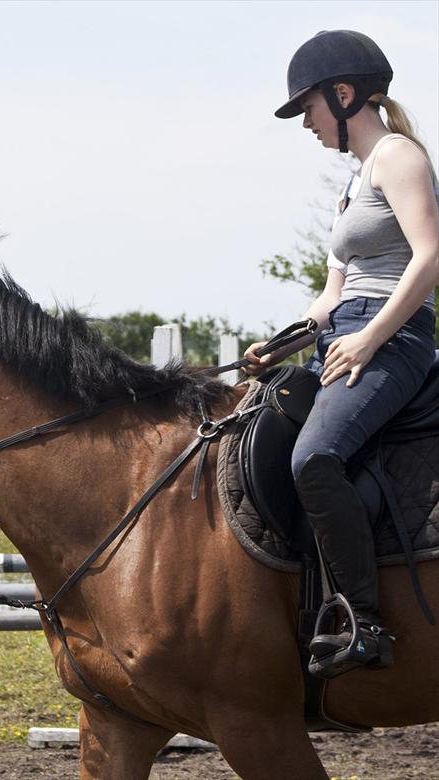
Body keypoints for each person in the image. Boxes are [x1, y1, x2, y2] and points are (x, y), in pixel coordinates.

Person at [245, 29, 439, 678]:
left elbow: (429, 257)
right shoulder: (351, 186)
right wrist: (279, 343)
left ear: (345, 93)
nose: (306, 123)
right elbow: (329, 297)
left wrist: (371, 337)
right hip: (343, 337)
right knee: (255, 425)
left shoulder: (397, 156)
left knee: (316, 457)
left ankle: (364, 622)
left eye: (309, 108)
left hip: (395, 338)